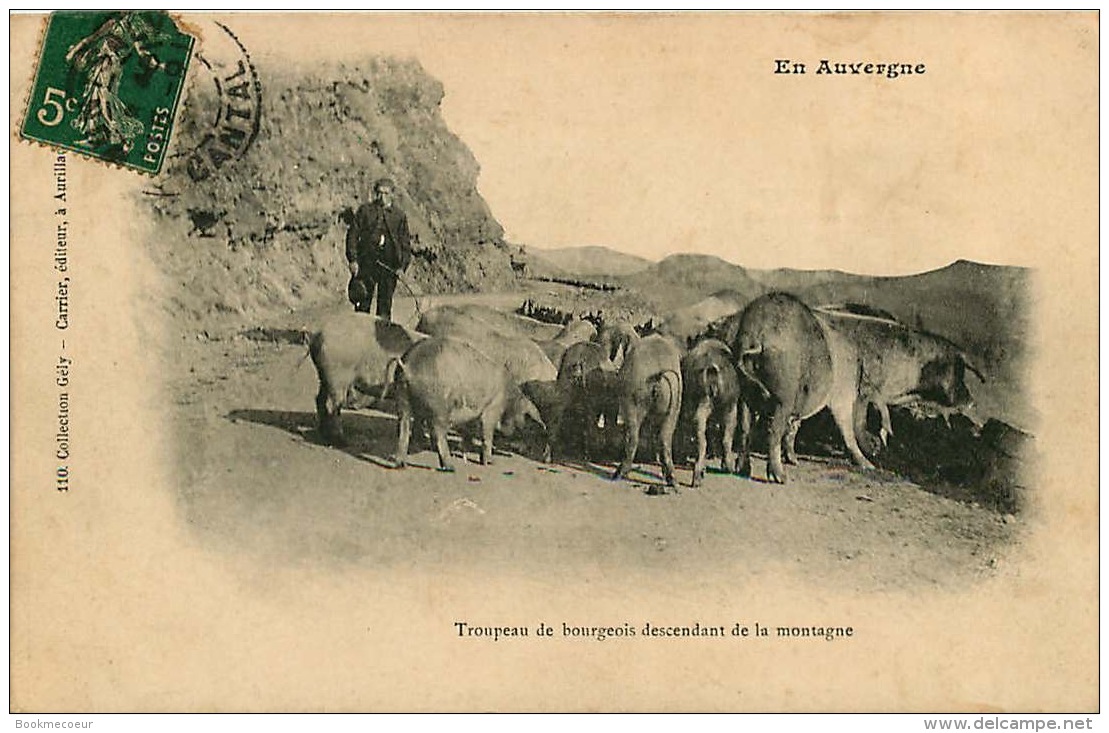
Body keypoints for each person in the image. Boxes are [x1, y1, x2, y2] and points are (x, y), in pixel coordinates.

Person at [345, 177, 412, 320]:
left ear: (393, 194)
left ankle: (381, 336)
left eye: (386, 193)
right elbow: (352, 235)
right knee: (363, 303)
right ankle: (360, 338)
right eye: (380, 193)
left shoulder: (399, 216)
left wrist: (402, 267)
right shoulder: (365, 211)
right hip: (367, 262)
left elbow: (405, 244)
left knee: (385, 306)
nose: (383, 197)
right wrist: (353, 260)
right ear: (375, 193)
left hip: (389, 266)